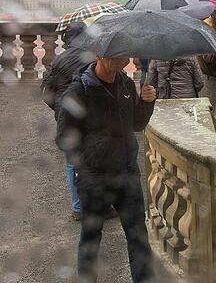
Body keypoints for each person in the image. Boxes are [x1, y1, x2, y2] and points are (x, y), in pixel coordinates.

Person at [56, 56, 157, 283]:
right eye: (113, 56)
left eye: (123, 56)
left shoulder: (126, 85)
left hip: (127, 173)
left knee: (138, 237)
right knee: (91, 237)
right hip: (95, 177)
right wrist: (95, 151)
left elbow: (136, 125)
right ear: (99, 54)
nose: (118, 62)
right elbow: (63, 137)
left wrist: (147, 102)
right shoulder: (79, 91)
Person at [41, 21, 95, 221]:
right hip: (91, 118)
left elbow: (47, 93)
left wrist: (59, 110)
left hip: (66, 119)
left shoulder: (58, 60)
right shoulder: (94, 57)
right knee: (97, 162)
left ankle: (78, 208)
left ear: (67, 39)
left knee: (73, 164)